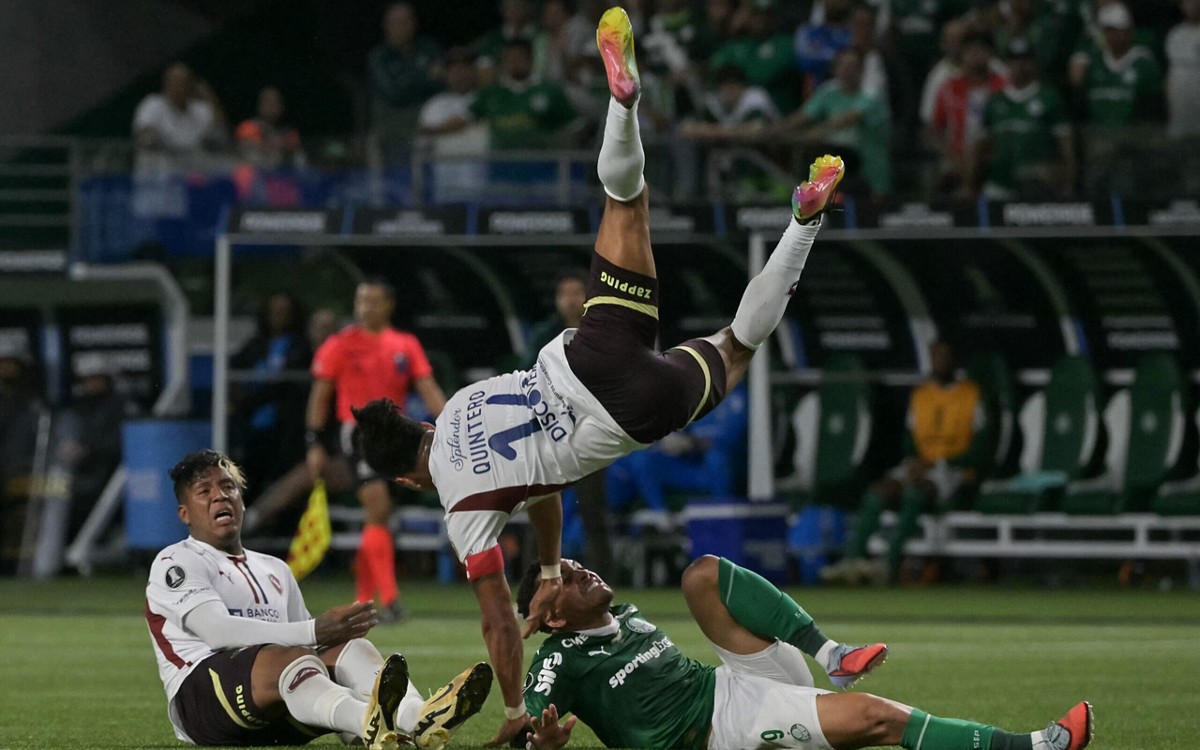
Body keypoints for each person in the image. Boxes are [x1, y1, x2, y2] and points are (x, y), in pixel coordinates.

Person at [351, 6, 845, 744]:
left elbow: (496, 617)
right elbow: (542, 492)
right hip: (589, 354)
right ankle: (623, 104)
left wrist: (517, 711)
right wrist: (550, 561)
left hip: (630, 412)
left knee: (737, 345)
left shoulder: (465, 509)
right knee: (626, 202)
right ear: (418, 426)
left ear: (408, 481)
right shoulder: (454, 405)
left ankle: (802, 226)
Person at [515, 556, 1094, 750]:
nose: (576, 568)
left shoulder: (629, 616)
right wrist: (540, 740)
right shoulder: (557, 659)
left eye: (568, 563)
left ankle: (830, 651)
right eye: (562, 578)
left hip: (729, 684)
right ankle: (1036, 746)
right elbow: (525, 717)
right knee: (876, 718)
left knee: (701, 576)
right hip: (720, 729)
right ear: (556, 617)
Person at [144, 450, 490, 750]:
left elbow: (310, 652)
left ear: (242, 500)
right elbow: (217, 633)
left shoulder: (275, 569)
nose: (220, 497)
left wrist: (328, 637)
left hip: (276, 709)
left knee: (349, 649)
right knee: (296, 652)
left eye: (228, 487)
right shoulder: (177, 561)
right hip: (204, 709)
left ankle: (418, 718)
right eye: (204, 492)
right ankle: (364, 718)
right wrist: (315, 629)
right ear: (184, 514)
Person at [307, 278, 447, 622]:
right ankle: (392, 600)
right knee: (378, 506)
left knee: (378, 516)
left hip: (396, 434)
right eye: (361, 300)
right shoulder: (341, 344)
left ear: (388, 305)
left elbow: (427, 386)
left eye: (373, 300)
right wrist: (313, 442)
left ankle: (362, 600)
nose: (366, 307)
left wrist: (450, 423)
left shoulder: (405, 344)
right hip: (357, 431)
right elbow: (321, 395)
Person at [822, 340, 988, 586]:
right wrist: (914, 461)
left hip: (952, 469)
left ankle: (888, 564)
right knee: (880, 490)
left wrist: (941, 462)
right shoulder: (921, 395)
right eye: (934, 357)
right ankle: (852, 561)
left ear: (954, 361)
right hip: (920, 463)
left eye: (944, 356)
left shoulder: (972, 395)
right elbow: (909, 442)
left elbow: (982, 449)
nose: (938, 362)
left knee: (915, 492)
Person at [132, 62, 228, 173]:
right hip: (158, 177)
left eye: (183, 82)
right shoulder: (152, 104)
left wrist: (210, 97)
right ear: (166, 84)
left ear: (191, 85)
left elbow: (220, 133)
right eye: (174, 81)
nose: (178, 86)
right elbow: (144, 136)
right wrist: (171, 149)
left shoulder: (200, 109)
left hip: (192, 177)